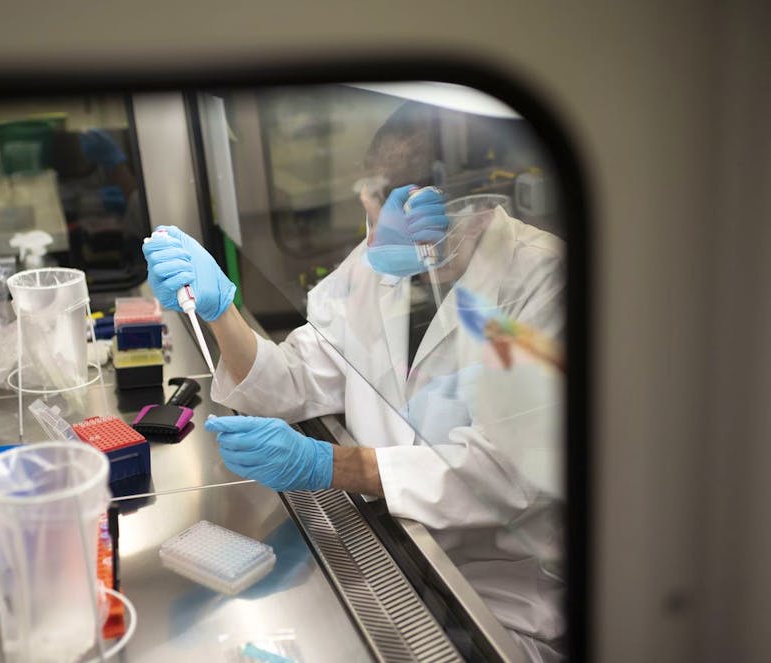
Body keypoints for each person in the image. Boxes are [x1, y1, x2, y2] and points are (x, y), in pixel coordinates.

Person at [142, 101, 565, 661]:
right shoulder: (383, 261)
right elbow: (290, 381)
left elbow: (505, 474)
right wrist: (222, 310)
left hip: (500, 607)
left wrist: (327, 464)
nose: (371, 240)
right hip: (393, 550)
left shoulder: (542, 281)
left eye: (386, 211)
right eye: (369, 207)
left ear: (456, 205)